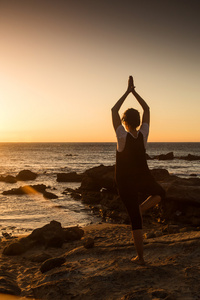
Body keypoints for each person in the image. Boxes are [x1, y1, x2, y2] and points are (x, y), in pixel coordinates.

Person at [111, 76, 165, 265]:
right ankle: (140, 210)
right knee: (160, 194)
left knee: (136, 217)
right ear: (138, 121)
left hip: (125, 181)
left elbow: (113, 110)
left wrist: (127, 92)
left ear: (124, 121)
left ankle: (140, 257)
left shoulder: (121, 135)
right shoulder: (143, 134)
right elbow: (147, 109)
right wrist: (135, 92)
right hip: (141, 177)